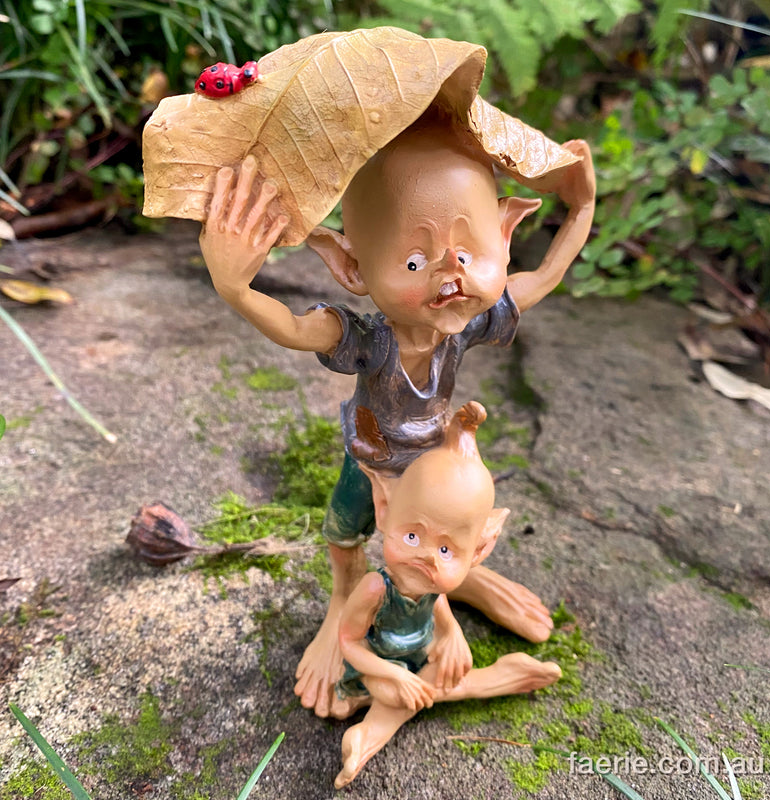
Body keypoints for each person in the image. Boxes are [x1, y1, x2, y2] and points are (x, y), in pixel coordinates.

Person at [199, 109, 595, 718]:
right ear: (349, 266)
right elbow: (297, 329)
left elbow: (546, 274)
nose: (449, 273)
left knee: (451, 532)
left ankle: (463, 580)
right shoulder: (368, 339)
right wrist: (235, 289)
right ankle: (342, 605)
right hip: (374, 463)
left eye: (469, 252)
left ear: (505, 234)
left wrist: (583, 209)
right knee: (345, 529)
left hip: (436, 468)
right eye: (415, 262)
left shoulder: (465, 328)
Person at [333, 401, 561, 788]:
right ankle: (492, 682)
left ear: (479, 551)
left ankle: (368, 736)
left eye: (445, 550)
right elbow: (348, 643)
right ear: (384, 509)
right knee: (404, 693)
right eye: (411, 536)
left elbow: (438, 602)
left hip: (419, 659)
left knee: (453, 667)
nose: (425, 556)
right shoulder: (377, 587)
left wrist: (453, 634)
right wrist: (392, 674)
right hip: (377, 668)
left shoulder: (431, 589)